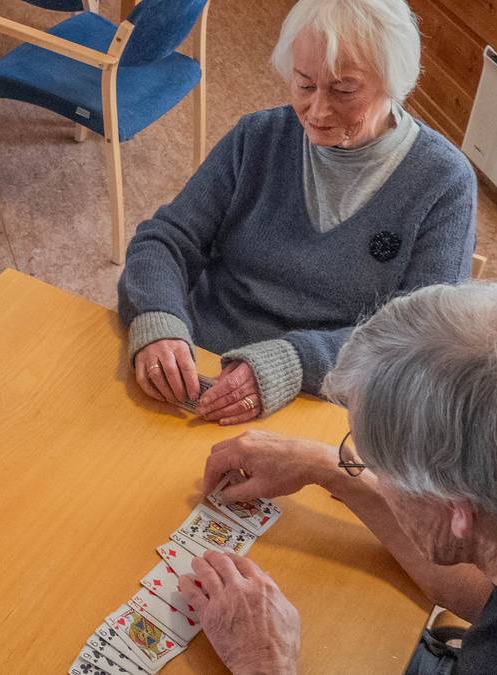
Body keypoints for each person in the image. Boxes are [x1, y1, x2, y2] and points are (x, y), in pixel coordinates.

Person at [178, 282, 497, 673]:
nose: (364, 467)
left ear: (456, 510)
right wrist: (327, 468)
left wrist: (266, 664)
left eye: (373, 461)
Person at [118, 0, 476, 425]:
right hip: (199, 362)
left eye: (344, 91)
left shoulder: (443, 181)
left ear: (394, 83)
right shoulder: (258, 137)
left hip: (324, 399)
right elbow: (167, 240)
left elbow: (423, 342)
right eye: (304, 84)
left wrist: (296, 361)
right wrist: (157, 317)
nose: (318, 111)